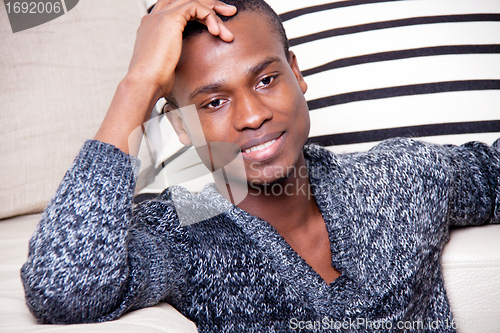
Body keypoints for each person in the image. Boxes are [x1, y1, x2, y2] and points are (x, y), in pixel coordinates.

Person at [21, 0, 500, 332]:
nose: (252, 116)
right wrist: (138, 84)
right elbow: (64, 288)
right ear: (181, 128)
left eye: (267, 79)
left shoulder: (402, 178)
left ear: (298, 73)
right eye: (212, 103)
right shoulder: (181, 230)